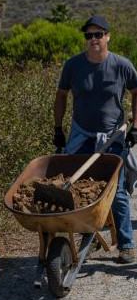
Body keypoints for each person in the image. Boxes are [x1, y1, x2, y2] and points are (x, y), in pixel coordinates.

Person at [54, 14, 137, 263]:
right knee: (78, 187)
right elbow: (61, 96)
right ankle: (88, 240)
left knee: (116, 189)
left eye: (98, 35)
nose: (93, 40)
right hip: (82, 134)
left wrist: (135, 126)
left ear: (108, 37)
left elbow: (136, 92)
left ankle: (126, 244)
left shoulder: (121, 65)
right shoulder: (73, 66)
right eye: (89, 36)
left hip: (112, 135)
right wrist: (58, 129)